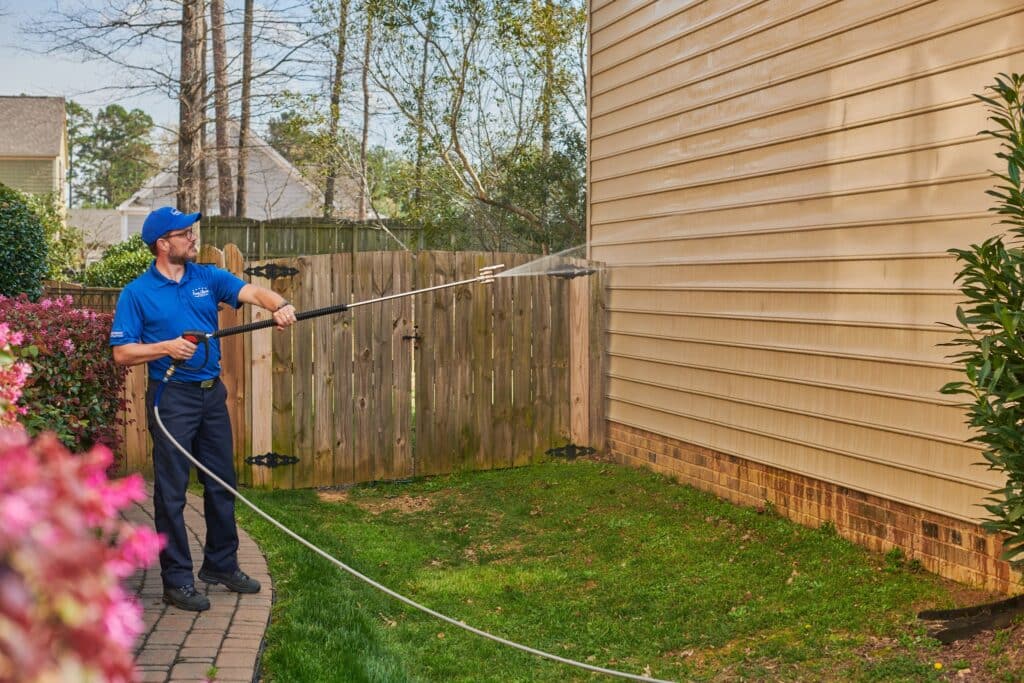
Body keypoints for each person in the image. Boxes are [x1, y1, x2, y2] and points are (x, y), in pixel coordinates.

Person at [109, 206, 297, 612]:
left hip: (211, 395)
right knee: (172, 494)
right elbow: (122, 353)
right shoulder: (136, 293)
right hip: (171, 397)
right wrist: (165, 347)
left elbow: (253, 292)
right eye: (185, 233)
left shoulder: (207, 277)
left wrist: (279, 304)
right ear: (163, 244)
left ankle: (221, 565)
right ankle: (176, 580)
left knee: (221, 483)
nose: (193, 238)